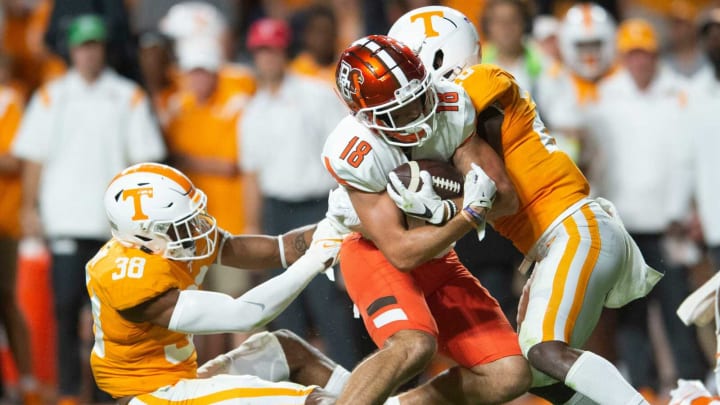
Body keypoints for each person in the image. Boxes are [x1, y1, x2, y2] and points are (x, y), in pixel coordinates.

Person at [388, 6, 662, 404]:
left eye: (409, 64)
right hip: (557, 239)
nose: (405, 82)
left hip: (573, 227)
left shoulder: (477, 81)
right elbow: (484, 194)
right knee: (532, 372)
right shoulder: (459, 110)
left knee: (544, 349)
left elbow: (498, 193)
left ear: (439, 55)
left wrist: (426, 179)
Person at [323, 34, 532, 405]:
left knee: (509, 374)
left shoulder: (450, 104)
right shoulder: (356, 150)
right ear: (366, 116)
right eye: (400, 111)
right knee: (415, 344)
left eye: (420, 96)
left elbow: (504, 198)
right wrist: (464, 213)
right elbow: (401, 252)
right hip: (375, 253)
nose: (419, 113)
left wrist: (452, 210)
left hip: (439, 254)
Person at [87, 162, 350, 403]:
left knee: (287, 349)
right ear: (144, 236)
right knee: (313, 402)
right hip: (150, 396)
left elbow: (281, 249)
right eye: (182, 225)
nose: (196, 229)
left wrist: (336, 226)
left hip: (181, 379)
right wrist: (315, 260)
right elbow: (244, 315)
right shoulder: (127, 277)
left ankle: (379, 394)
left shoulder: (172, 242)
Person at [11, 14, 166, 404]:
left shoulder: (126, 95)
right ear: (72, 50)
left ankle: (106, 391)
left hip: (113, 227)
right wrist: (29, 207)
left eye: (94, 45)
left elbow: (145, 162)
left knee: (110, 317)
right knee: (65, 308)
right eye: (82, 45)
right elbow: (34, 158)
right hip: (65, 218)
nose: (88, 53)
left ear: (103, 48)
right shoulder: (52, 94)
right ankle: (67, 392)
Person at [587, 18, 708, 393]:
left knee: (678, 308)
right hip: (623, 222)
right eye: (633, 55)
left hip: (668, 221)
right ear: (624, 58)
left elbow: (691, 157)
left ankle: (692, 383)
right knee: (630, 312)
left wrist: (687, 210)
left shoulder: (680, 92)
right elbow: (593, 157)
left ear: (655, 56)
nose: (640, 63)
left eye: (646, 55)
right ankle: (640, 386)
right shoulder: (604, 96)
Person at [239, 18, 364, 370]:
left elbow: (345, 153)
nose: (266, 59)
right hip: (276, 210)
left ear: (284, 52)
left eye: (272, 50)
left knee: (327, 301)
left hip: (317, 206)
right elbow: (252, 176)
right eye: (260, 51)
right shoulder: (253, 111)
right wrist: (252, 230)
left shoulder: (316, 94)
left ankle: (349, 382)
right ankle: (299, 386)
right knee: (283, 304)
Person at [0, 79, 39, 403]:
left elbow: (16, 158)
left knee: (6, 299)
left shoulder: (9, 99)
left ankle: (27, 381)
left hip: (3, 220)